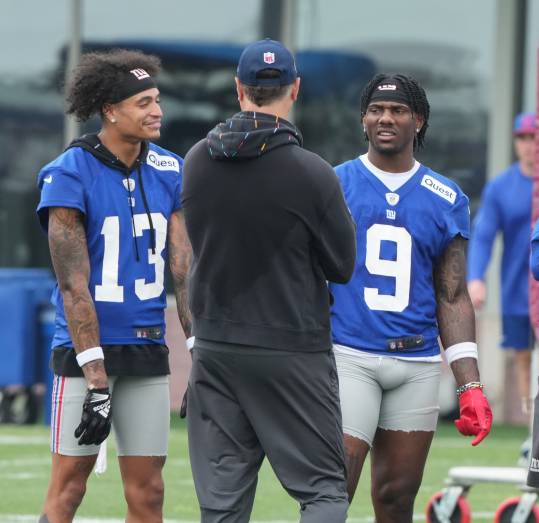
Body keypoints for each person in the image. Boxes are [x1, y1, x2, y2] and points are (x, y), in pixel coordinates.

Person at [181, 39, 356, 523]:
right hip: (291, 346)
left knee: (221, 503)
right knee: (323, 492)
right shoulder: (312, 173)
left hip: (214, 345)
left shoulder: (196, 161)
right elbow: (342, 266)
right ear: (294, 89)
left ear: (240, 89)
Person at [36, 49, 192, 523]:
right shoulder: (68, 172)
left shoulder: (171, 169)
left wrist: (198, 349)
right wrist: (97, 382)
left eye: (157, 100)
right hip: (87, 356)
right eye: (143, 102)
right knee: (68, 490)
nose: (157, 111)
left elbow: (184, 271)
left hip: (145, 352)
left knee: (148, 495)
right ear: (110, 110)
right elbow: (73, 285)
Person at [329, 73, 492, 522]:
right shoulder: (333, 183)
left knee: (397, 496)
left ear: (418, 121)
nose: (386, 118)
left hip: (416, 363)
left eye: (398, 110)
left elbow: (453, 295)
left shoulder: (446, 197)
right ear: (363, 119)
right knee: (333, 487)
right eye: (376, 110)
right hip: (349, 355)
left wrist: (470, 384)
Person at [467, 112, 536, 419]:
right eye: (522, 138)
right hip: (516, 290)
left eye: (534, 137)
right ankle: (531, 432)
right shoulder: (501, 187)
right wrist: (475, 277)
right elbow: (483, 236)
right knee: (523, 359)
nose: (529, 144)